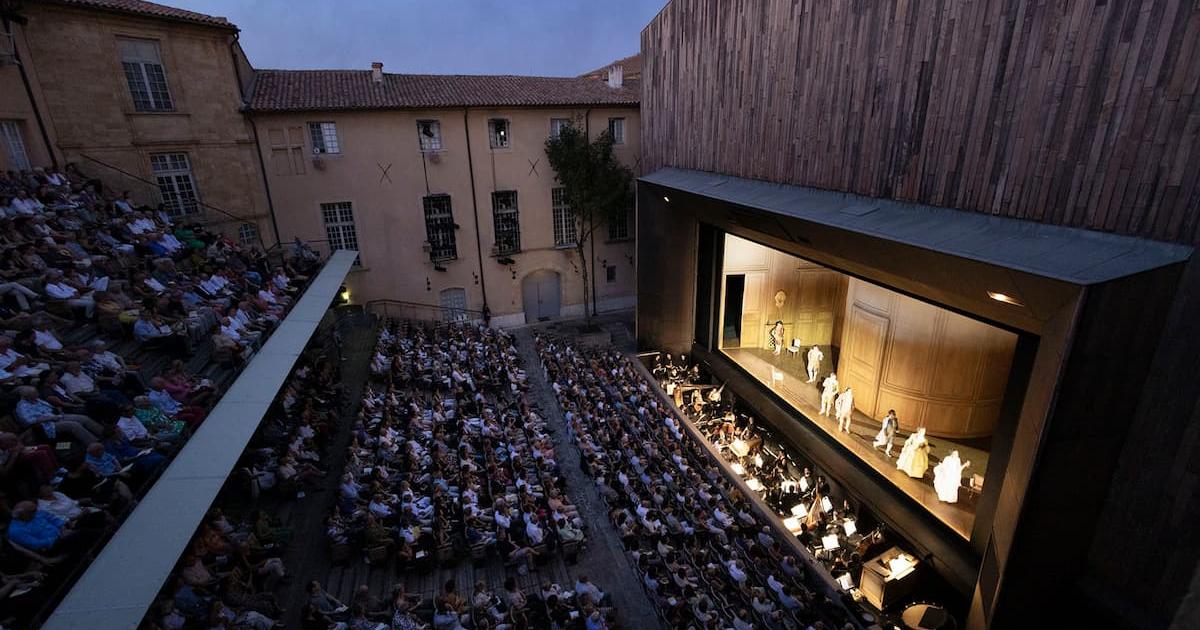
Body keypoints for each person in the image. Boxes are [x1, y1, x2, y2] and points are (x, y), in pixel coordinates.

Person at [14, 385, 103, 444]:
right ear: (28, 396)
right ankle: (95, 443)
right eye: (35, 394)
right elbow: (28, 421)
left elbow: (49, 408)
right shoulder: (22, 407)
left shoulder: (37, 400)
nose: (38, 394)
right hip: (47, 425)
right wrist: (49, 418)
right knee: (74, 425)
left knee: (84, 418)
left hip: (57, 416)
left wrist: (57, 411)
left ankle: (103, 432)